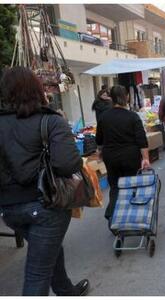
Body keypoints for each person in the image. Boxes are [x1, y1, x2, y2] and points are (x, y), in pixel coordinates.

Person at [0, 67, 89, 296]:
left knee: (48, 248)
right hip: (46, 205)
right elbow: (68, 165)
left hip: (9, 211)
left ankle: (65, 289)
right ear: (37, 89)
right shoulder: (50, 120)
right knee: (36, 276)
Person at [96, 85, 150, 224]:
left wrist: (100, 152)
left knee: (115, 186)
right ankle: (129, 216)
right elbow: (141, 140)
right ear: (127, 97)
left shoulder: (104, 116)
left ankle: (112, 214)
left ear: (111, 98)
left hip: (111, 156)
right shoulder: (132, 116)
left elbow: (99, 139)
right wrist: (145, 158)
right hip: (130, 156)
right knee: (131, 184)